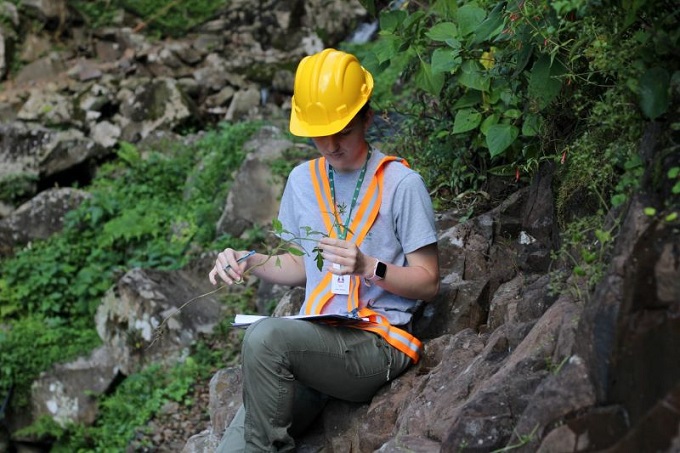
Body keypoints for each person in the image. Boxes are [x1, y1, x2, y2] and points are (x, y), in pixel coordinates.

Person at [208, 48, 440, 452]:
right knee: (232, 447)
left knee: (266, 339)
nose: (330, 146)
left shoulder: (402, 184)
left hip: (376, 344)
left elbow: (429, 282)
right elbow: (302, 264)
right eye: (319, 133)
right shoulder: (302, 180)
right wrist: (249, 259)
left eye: (343, 132)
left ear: (367, 118)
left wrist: (369, 266)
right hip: (316, 340)